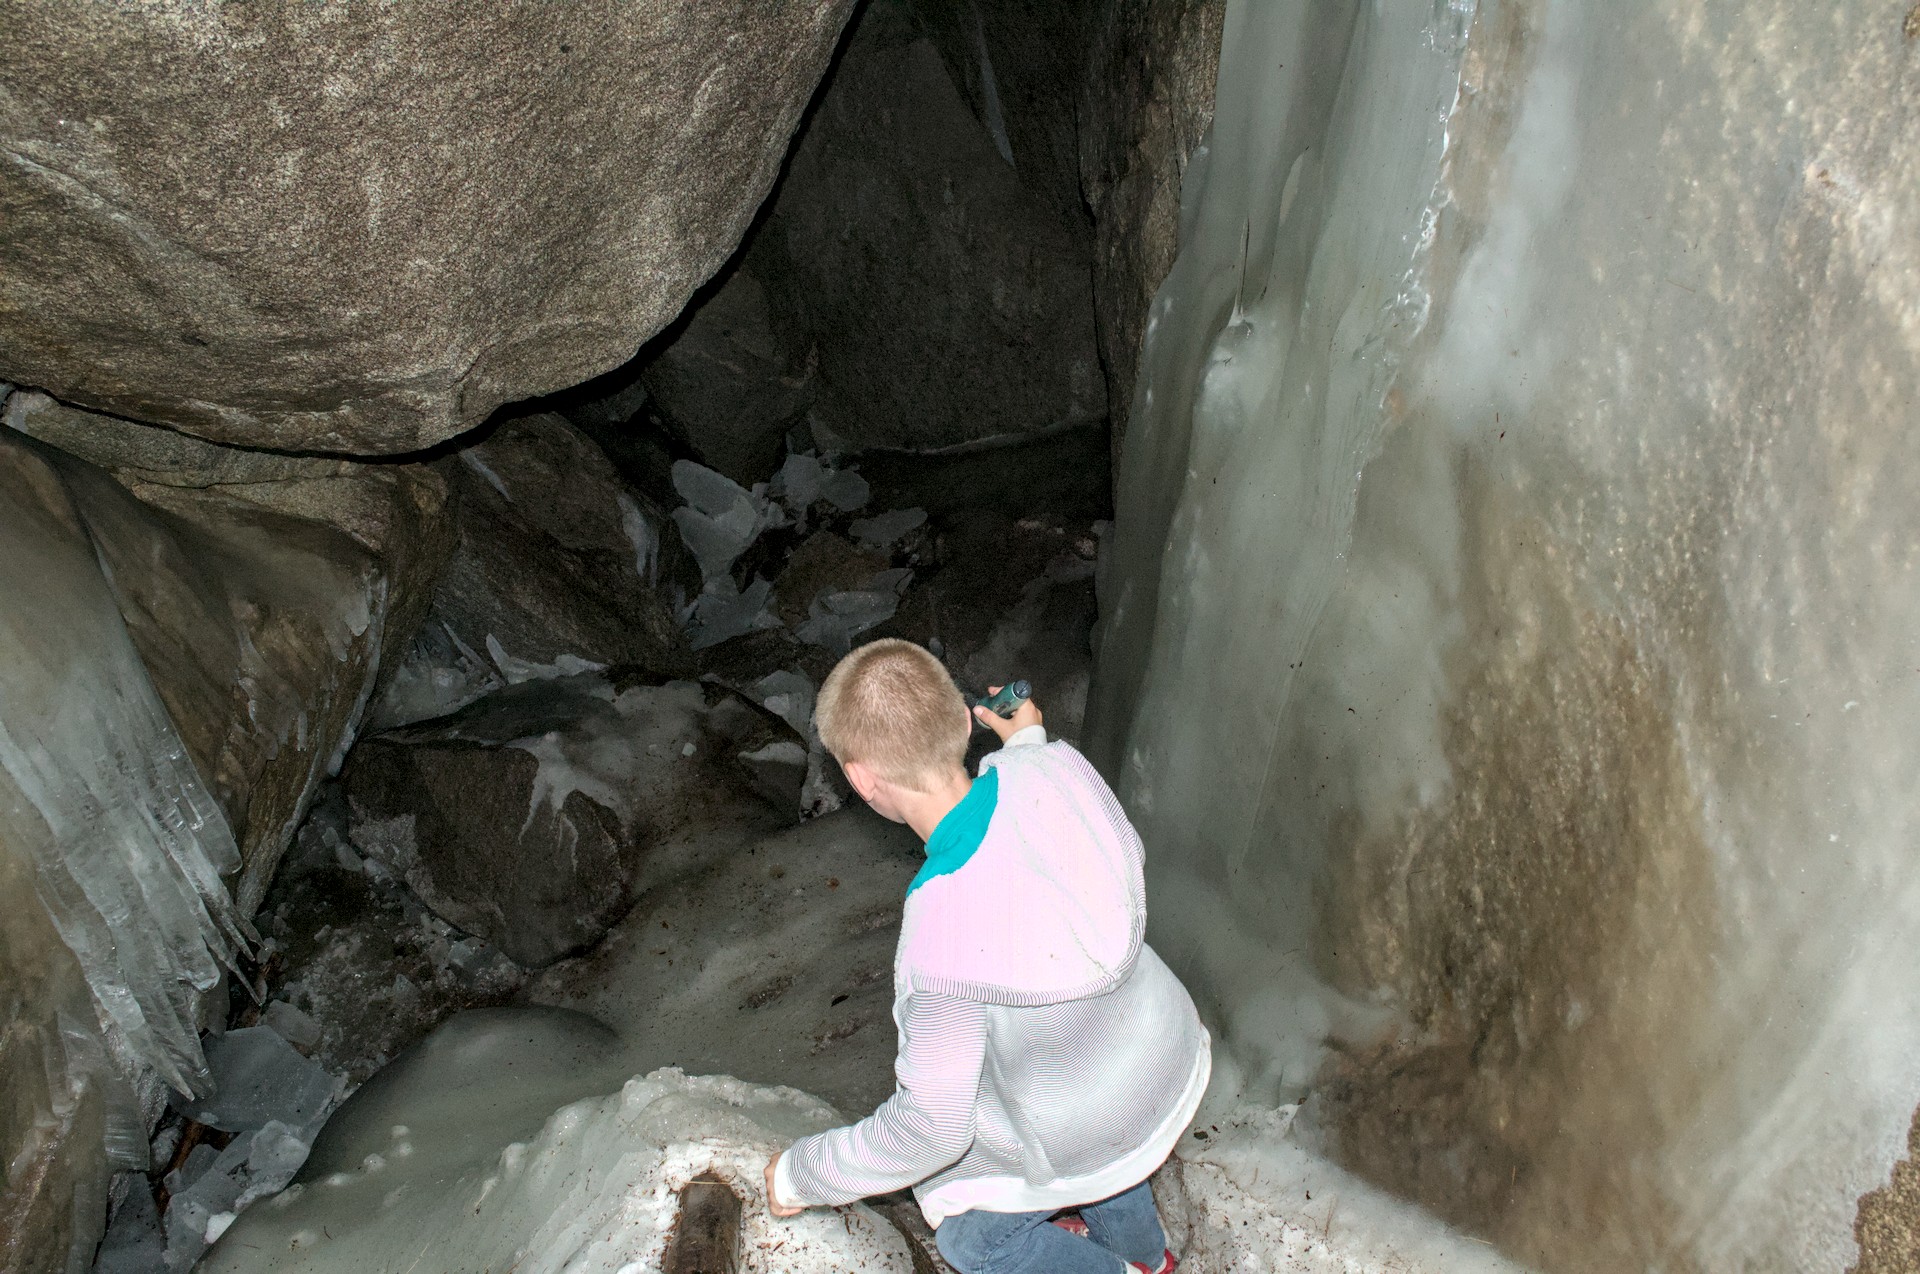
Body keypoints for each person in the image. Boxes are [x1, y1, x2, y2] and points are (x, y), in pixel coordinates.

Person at [762, 638, 1211, 1274]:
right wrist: (1026, 737)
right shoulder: (1055, 771)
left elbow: (932, 1129)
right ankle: (1146, 1255)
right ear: (962, 724)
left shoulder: (941, 933)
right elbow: (1032, 767)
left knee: (974, 1243)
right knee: (1101, 1122)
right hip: (1163, 1057)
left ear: (861, 779)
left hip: (1092, 1117)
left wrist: (802, 1175)